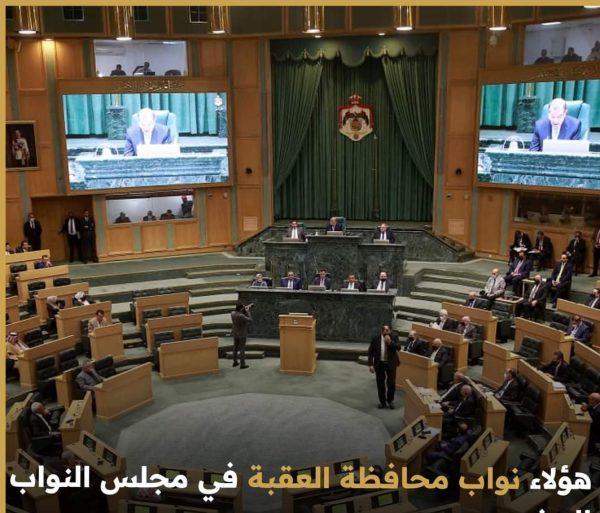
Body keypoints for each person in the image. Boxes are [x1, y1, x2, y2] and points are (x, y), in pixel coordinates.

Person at [367, 325, 400, 409]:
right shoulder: (376, 338)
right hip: (380, 363)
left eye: (389, 330)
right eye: (386, 330)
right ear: (382, 331)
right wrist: (371, 364)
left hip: (391, 363)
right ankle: (382, 402)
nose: (388, 332)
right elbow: (370, 352)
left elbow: (398, 347)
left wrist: (390, 342)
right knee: (380, 383)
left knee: (391, 383)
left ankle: (390, 400)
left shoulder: (394, 337)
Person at [231, 303, 252, 369]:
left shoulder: (232, 313)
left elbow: (239, 314)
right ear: (241, 309)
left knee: (235, 348)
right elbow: (250, 319)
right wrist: (247, 311)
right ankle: (242, 364)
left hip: (235, 333)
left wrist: (243, 310)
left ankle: (235, 362)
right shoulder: (241, 316)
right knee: (242, 349)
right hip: (242, 334)